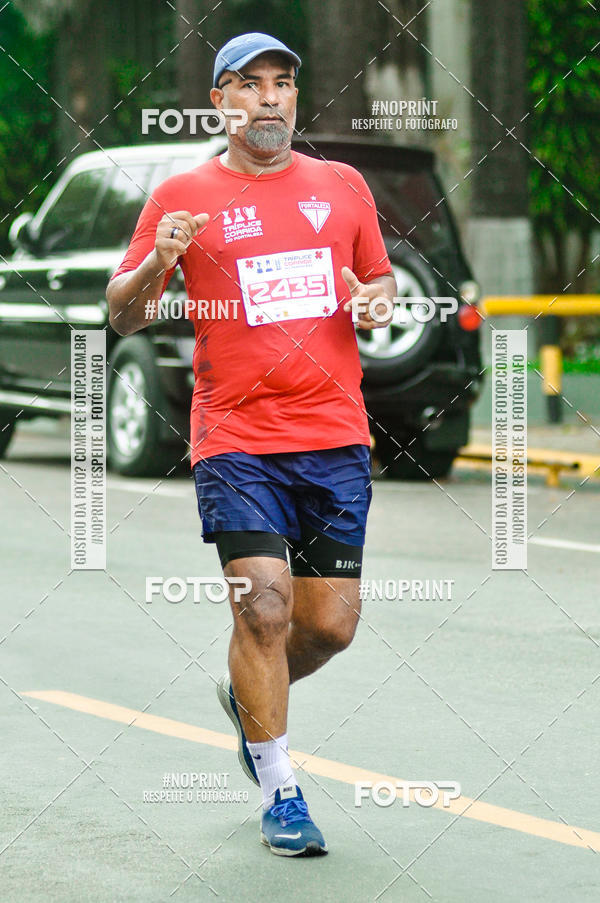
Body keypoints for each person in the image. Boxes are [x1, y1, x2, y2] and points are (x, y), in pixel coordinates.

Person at [106, 31, 396, 857]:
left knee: (330, 625)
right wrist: (158, 264)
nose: (269, 97)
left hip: (333, 433)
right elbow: (122, 313)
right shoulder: (181, 196)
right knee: (263, 605)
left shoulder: (342, 186)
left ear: (295, 97)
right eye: (249, 84)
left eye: (282, 83)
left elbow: (378, 279)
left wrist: (377, 301)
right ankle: (281, 790)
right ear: (220, 102)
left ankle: (249, 696)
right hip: (235, 437)